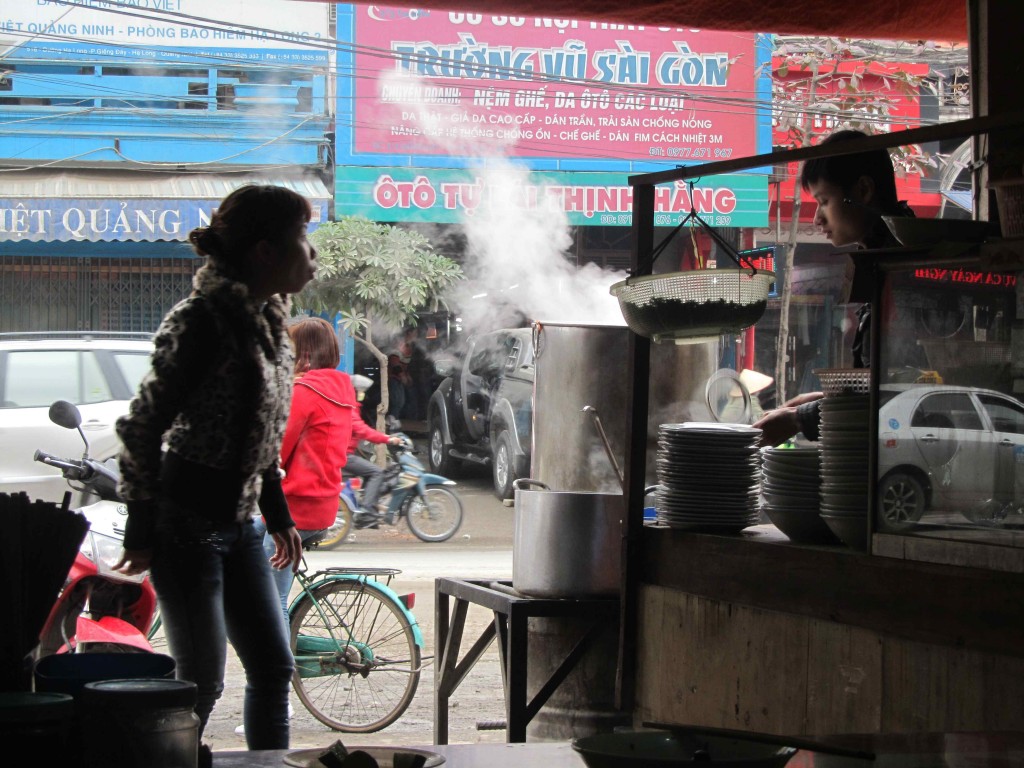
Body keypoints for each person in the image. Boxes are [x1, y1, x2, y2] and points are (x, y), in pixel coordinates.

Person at [113, 185, 313, 756]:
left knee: (274, 668)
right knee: (198, 685)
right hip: (186, 526)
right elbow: (142, 426)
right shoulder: (201, 321)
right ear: (263, 252)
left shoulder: (270, 319)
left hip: (243, 522)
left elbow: (263, 431)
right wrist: (144, 525)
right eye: (302, 237)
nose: (312, 252)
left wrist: (277, 514)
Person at [753, 129, 915, 447]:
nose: (817, 219)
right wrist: (814, 400)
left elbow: (898, 394)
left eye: (824, 201)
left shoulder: (903, 273)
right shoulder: (881, 262)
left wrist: (800, 418)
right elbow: (876, 383)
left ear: (864, 189)